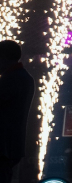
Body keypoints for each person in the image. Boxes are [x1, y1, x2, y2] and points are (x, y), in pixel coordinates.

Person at [0, 41, 34, 183]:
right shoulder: (25, 78)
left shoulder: (10, 79)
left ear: (4, 57)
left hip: (3, 146)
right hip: (11, 145)